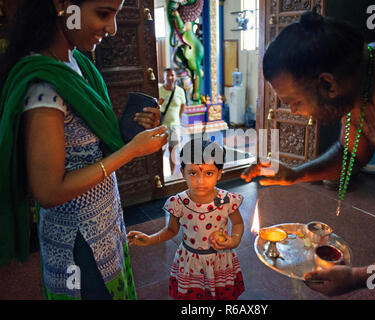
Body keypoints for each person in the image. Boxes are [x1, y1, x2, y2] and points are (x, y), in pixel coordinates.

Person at [241, 11, 375, 299]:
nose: (293, 111)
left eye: (294, 102)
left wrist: (358, 277)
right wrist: (294, 174)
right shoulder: (360, 73)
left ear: (328, 85)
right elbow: (350, 155)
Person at [0, 0, 168, 300]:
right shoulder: (44, 89)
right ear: (64, 5)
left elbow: (88, 143)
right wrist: (130, 152)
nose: (112, 29)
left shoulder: (77, 64)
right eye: (103, 14)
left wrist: (134, 131)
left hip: (103, 220)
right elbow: (48, 192)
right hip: (77, 239)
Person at [128, 139, 245, 300]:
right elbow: (171, 230)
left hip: (221, 261)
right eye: (193, 173)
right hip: (191, 264)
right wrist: (150, 239)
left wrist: (234, 241)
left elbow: (238, 223)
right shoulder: (178, 203)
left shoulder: (227, 201)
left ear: (219, 173)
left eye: (208, 173)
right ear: (183, 172)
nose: (200, 181)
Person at [158, 68, 186, 174]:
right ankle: (160, 174)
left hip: (175, 125)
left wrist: (177, 118)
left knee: (173, 150)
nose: (170, 78)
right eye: (168, 75)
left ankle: (172, 173)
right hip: (162, 126)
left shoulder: (180, 91)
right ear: (164, 77)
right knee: (161, 150)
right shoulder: (159, 91)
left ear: (175, 77)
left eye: (173, 75)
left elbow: (182, 106)